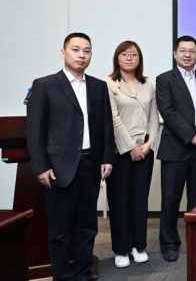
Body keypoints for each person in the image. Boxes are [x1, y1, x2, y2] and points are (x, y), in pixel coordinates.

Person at [26, 32, 114, 280]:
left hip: (90, 166)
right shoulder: (44, 85)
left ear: (91, 55)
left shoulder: (99, 86)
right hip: (58, 168)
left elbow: (106, 126)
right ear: (63, 53)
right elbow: (34, 130)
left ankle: (83, 274)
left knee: (87, 227)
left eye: (86, 51)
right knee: (60, 231)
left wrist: (107, 158)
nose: (81, 55)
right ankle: (62, 277)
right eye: (76, 50)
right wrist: (40, 166)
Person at [156, 35, 196, 262]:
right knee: (170, 199)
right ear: (175, 54)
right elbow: (167, 111)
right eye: (183, 50)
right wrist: (191, 135)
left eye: (192, 51)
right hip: (175, 148)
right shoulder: (164, 79)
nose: (187, 54)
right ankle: (169, 243)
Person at [105, 41, 160, 267]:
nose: (129, 58)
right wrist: (131, 147)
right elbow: (113, 119)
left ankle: (138, 246)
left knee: (140, 200)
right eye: (124, 54)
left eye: (134, 54)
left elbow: (154, 117)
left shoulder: (148, 83)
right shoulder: (109, 83)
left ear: (139, 58)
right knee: (119, 201)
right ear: (117, 58)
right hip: (120, 151)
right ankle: (121, 249)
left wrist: (150, 144)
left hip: (144, 151)